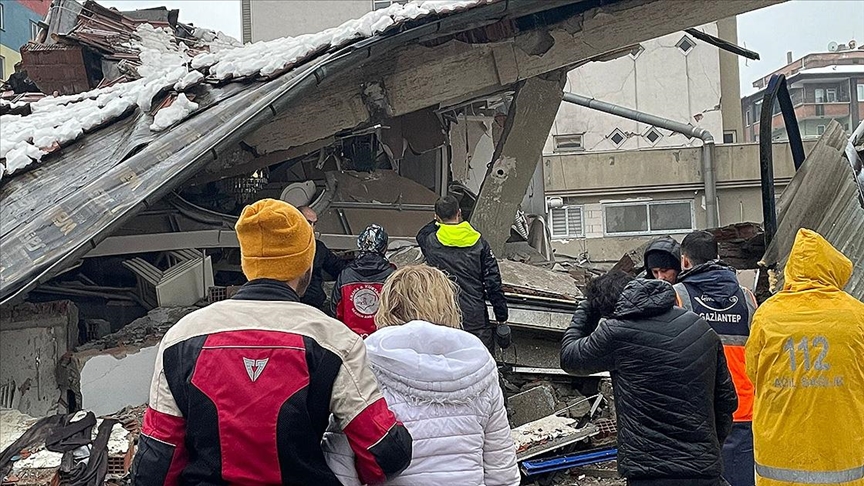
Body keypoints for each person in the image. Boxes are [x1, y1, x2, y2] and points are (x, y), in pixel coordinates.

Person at [132, 199, 412, 486]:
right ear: (306, 264)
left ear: (247, 263)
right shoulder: (335, 341)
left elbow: (156, 464)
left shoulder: (181, 338)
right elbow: (384, 455)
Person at [323, 265, 520, 486]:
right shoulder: (478, 364)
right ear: (449, 307)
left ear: (389, 306)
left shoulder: (364, 364)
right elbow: (502, 471)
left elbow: (340, 462)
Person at [561, 271, 738, 486]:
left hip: (649, 471)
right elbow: (727, 402)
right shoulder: (700, 328)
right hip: (703, 470)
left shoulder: (616, 332)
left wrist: (587, 309)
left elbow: (569, 358)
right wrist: (709, 450)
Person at [746, 229, 864, 486]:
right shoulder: (857, 315)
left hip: (779, 458)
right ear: (833, 269)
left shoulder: (767, 315)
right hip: (842, 456)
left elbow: (753, 372)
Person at [674, 230, 757, 486]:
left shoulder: (678, 296)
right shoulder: (747, 297)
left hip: (698, 411)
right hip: (743, 409)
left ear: (685, 261)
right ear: (718, 257)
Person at [416, 194, 508, 353]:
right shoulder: (479, 242)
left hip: (442, 315)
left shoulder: (430, 242)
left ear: (436, 216)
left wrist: (438, 220)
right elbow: (493, 283)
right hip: (475, 318)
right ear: (459, 212)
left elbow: (421, 233)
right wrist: (502, 318)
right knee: (480, 366)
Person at [331, 224, 395, 337]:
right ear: (384, 248)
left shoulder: (346, 274)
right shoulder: (391, 275)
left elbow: (335, 310)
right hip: (382, 340)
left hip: (351, 340)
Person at [298, 206, 347, 312]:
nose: (311, 227)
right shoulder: (282, 246)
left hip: (314, 306)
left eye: (314, 224)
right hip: (290, 304)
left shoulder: (319, 247)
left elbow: (338, 268)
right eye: (308, 222)